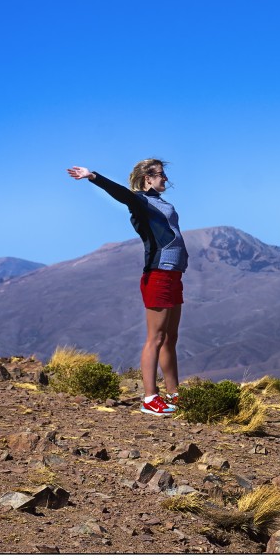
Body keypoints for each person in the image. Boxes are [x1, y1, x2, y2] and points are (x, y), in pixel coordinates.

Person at [67, 159, 187, 416]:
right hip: (158, 274)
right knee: (155, 338)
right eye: (160, 175)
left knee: (170, 338)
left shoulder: (162, 203)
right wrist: (93, 176)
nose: (165, 179)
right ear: (147, 178)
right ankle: (149, 398)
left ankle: (174, 394)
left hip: (174, 275)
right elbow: (122, 194)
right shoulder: (140, 201)